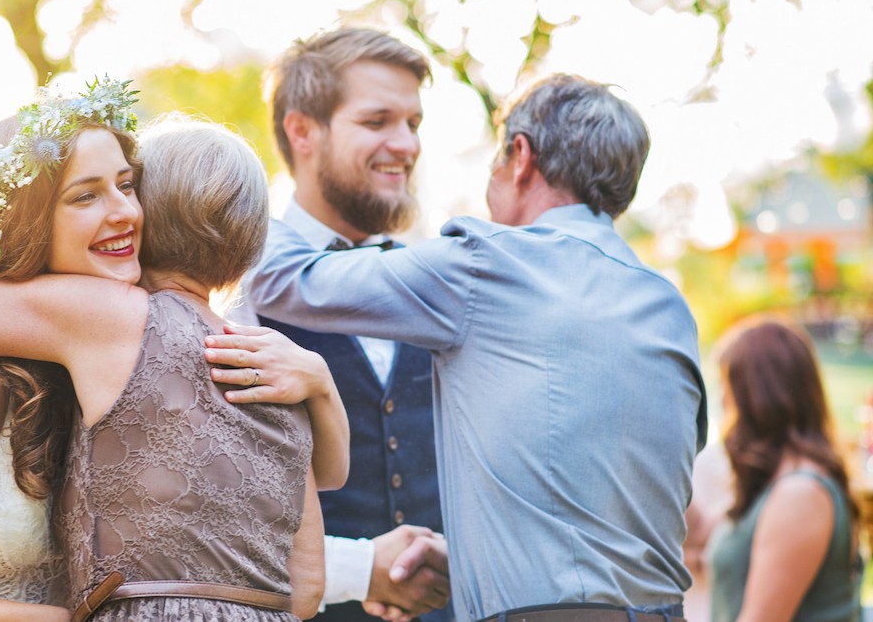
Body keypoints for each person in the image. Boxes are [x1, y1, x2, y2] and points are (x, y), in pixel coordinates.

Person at [0, 83, 347, 621]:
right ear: (25, 220)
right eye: (86, 196)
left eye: (128, 187)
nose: (126, 212)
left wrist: (318, 378)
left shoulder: (147, 365)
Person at [245, 72, 708, 621]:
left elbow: (285, 280)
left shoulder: (486, 265)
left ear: (520, 156)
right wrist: (471, 561)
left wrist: (233, 191)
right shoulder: (666, 304)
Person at [231, 26, 450, 622]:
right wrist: (359, 570)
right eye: (378, 121)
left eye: (414, 123)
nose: (405, 144)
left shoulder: (437, 282)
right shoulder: (237, 284)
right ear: (303, 130)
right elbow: (214, 512)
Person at [707, 314, 861, 621]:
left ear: (756, 396)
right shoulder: (777, 485)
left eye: (728, 385)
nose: (722, 400)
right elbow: (698, 533)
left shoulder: (801, 494)